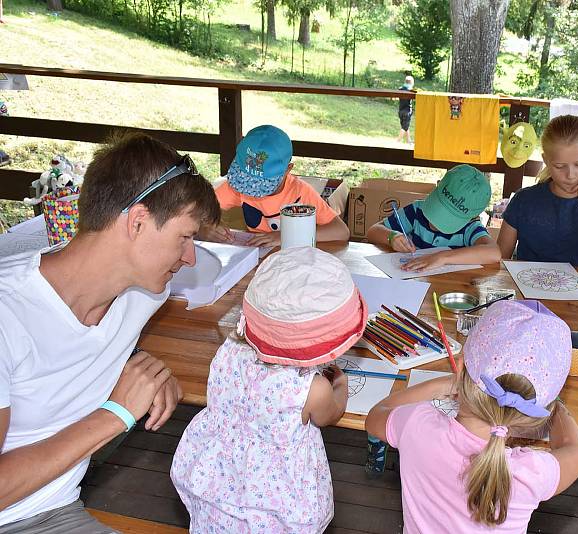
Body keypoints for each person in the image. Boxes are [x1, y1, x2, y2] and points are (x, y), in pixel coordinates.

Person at [0, 133, 220, 532]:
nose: (190, 258)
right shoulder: (7, 313)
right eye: (184, 238)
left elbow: (77, 346)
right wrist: (116, 412)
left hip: (56, 511)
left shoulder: (144, 292)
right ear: (137, 222)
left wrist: (139, 366)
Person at [171, 247, 367, 533]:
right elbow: (329, 415)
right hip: (278, 504)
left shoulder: (228, 352)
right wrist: (340, 386)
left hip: (219, 486)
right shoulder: (313, 389)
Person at [366, 300, 578, 532]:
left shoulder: (416, 425)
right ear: (541, 406)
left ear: (460, 367)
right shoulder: (531, 473)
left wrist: (447, 383)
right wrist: (557, 406)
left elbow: (376, 416)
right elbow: (576, 451)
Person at [497, 115, 578, 270]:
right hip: (526, 293)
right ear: (546, 160)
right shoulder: (523, 201)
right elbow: (499, 260)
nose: (571, 175)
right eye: (560, 166)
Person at [201, 125, 350, 247]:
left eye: (261, 185)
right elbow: (197, 210)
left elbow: (341, 231)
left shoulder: (301, 193)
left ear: (288, 170)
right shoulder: (237, 187)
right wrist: (204, 228)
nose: (251, 191)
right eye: (246, 181)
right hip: (258, 257)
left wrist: (286, 236)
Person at [366, 164, 501, 272]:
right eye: (438, 208)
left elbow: (494, 253)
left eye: (448, 218)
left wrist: (442, 257)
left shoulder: (469, 227)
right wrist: (391, 237)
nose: (435, 222)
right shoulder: (416, 211)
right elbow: (373, 231)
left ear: (472, 217)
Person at [396, 75, 415, 144]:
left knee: (405, 126)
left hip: (400, 111)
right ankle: (397, 141)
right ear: (411, 83)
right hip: (407, 111)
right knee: (404, 127)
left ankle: (408, 140)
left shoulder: (400, 89)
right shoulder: (411, 91)